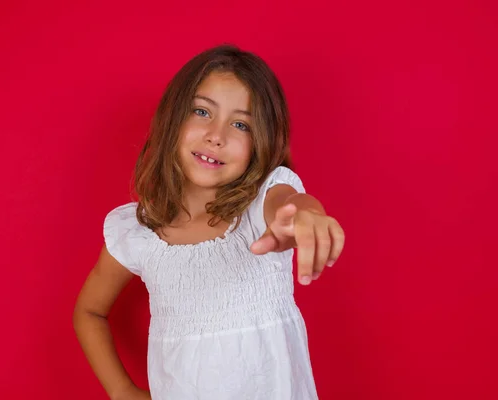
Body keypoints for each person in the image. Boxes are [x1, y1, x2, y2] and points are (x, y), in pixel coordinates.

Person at [73, 44, 345, 400]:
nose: (217, 136)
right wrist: (122, 390)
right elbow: (89, 311)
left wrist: (306, 213)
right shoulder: (138, 234)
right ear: (172, 119)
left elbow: (288, 203)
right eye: (202, 111)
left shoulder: (261, 204)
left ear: (261, 140)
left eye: (240, 124)